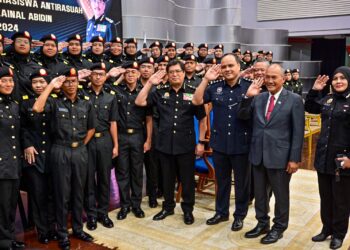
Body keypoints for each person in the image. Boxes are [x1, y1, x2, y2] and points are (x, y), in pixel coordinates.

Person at [238, 64, 304, 244]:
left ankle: (279, 227)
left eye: (274, 77)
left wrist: (294, 159)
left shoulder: (294, 99)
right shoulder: (258, 98)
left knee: (281, 195)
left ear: (283, 79)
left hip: (280, 158)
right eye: (267, 77)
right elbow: (242, 116)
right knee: (259, 194)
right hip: (258, 155)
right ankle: (262, 223)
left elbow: (298, 132)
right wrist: (247, 97)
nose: (270, 80)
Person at [135, 60, 207, 225]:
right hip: (165, 143)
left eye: (178, 71)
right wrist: (150, 84)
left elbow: (202, 120)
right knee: (167, 178)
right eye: (171, 72)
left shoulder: (193, 92)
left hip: (186, 143)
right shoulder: (159, 92)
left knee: (187, 180)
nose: (174, 74)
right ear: (167, 74)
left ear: (183, 73)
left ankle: (188, 210)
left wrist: (201, 142)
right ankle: (168, 207)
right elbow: (139, 102)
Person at [33, 68, 96, 250]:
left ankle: (77, 229)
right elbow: (37, 108)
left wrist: (79, 145)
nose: (71, 84)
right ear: (62, 84)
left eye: (73, 81)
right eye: (67, 81)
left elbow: (91, 128)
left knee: (79, 192)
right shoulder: (54, 101)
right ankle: (62, 233)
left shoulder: (86, 103)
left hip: (80, 151)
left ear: (78, 82)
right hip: (60, 150)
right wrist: (51, 86)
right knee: (62, 194)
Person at [192, 53, 252, 231]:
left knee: (242, 183)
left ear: (239, 67)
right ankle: (221, 212)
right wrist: (205, 79)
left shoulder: (249, 88)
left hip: (242, 144)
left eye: (231, 66)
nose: (227, 69)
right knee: (222, 181)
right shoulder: (215, 87)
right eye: (224, 66)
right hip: (220, 144)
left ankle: (239, 215)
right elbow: (196, 101)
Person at [305, 67, 350, 249]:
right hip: (324, 159)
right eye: (335, 78)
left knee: (341, 200)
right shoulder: (329, 99)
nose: (338, 81)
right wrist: (315, 90)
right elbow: (311, 107)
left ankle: (339, 234)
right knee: (326, 198)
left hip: (343, 161)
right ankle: (327, 229)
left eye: (343, 78)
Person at [111, 61, 152, 220]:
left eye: (133, 72)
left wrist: (148, 140)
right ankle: (124, 206)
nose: (130, 75)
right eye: (127, 72)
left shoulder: (144, 92)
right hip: (121, 136)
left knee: (137, 172)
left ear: (139, 74)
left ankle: (136, 205)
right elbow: (107, 85)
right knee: (122, 172)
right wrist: (117, 77)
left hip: (137, 136)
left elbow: (149, 118)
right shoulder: (117, 90)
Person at [20, 69, 57, 244]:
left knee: (52, 194)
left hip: (53, 154)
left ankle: (52, 228)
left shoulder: (55, 101)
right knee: (37, 194)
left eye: (42, 82)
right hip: (33, 156)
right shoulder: (24, 102)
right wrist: (26, 144)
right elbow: (21, 127)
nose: (39, 85)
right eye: (35, 82)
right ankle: (42, 230)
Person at [83, 63, 118, 231]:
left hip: (105, 140)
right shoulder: (82, 95)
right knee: (88, 179)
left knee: (104, 178)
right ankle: (91, 215)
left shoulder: (110, 97)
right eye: (95, 74)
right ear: (90, 76)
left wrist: (115, 145)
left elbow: (113, 123)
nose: (98, 77)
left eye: (101, 74)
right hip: (87, 141)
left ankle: (103, 213)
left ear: (105, 77)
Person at [0, 67, 25, 250]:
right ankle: (4, 241)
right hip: (2, 164)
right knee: (2, 205)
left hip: (14, 163)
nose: (8, 84)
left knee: (10, 204)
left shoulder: (14, 105)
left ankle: (9, 237)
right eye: (3, 81)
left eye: (11, 81)